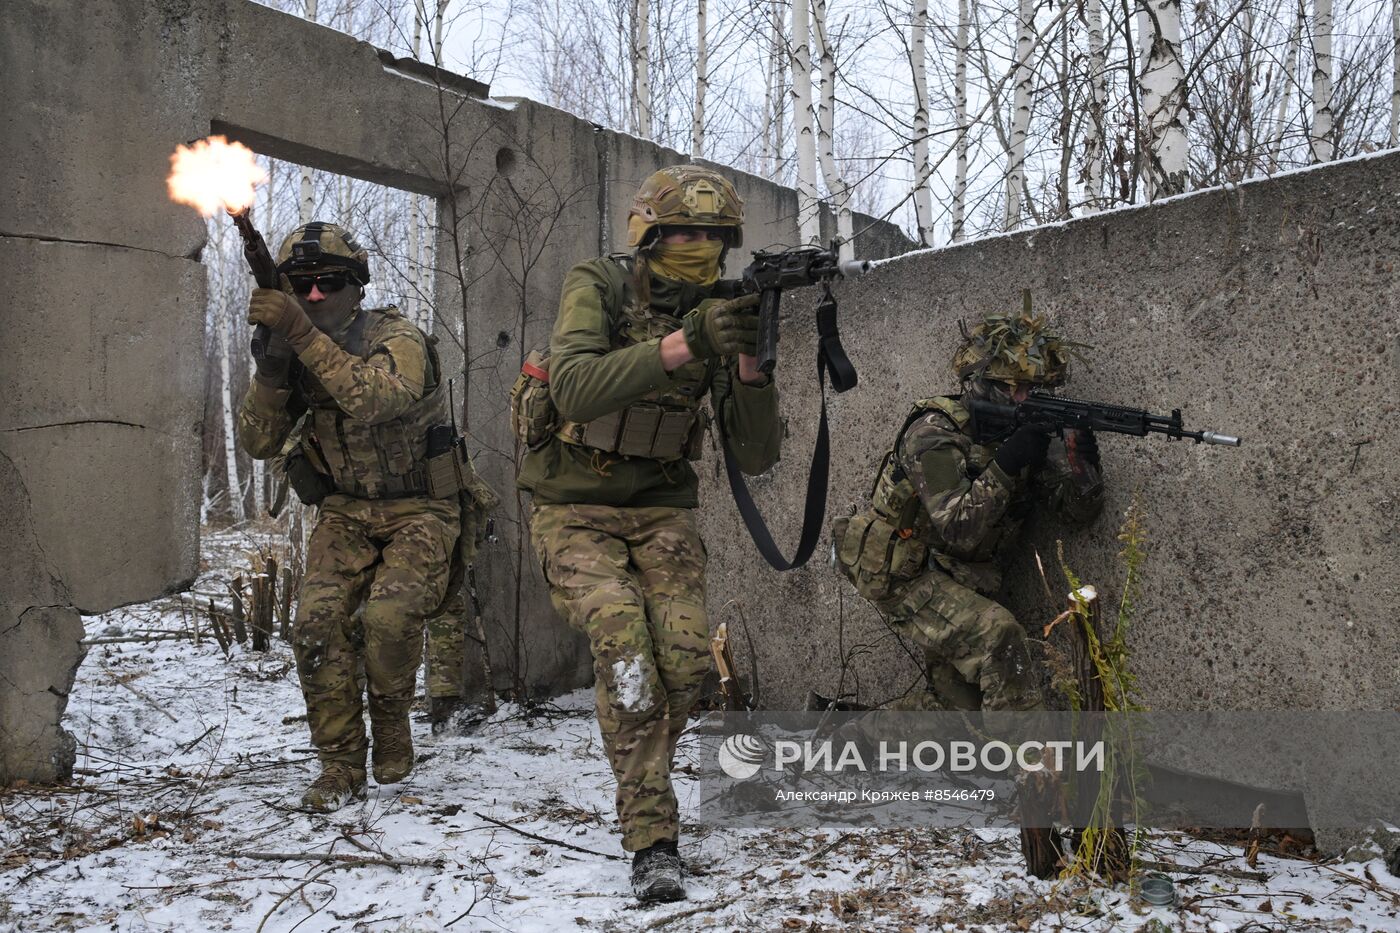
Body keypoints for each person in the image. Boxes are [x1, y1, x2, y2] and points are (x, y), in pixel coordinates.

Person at [515, 166, 782, 903]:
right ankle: (653, 838)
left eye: (712, 235)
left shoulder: (721, 306)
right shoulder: (598, 283)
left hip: (662, 505)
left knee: (687, 660)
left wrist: (751, 356)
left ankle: (644, 786)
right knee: (624, 645)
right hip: (573, 503)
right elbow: (573, 386)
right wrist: (684, 341)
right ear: (650, 234)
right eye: (683, 232)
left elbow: (757, 454)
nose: (698, 246)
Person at [237, 221, 487, 811]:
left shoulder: (396, 336)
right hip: (346, 509)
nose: (315, 296)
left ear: (356, 286)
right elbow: (255, 441)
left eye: (328, 283)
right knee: (315, 627)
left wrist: (297, 330)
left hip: (420, 506)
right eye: (301, 285)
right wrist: (274, 370)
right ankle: (340, 766)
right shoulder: (297, 350)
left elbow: (379, 400)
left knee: (391, 616)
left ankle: (393, 725)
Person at [832, 308, 1104, 715]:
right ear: (983, 384)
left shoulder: (1017, 434)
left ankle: (846, 738)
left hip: (953, 576)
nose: (1029, 400)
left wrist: (1083, 465)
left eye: (1039, 390)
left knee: (958, 713)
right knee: (998, 637)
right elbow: (958, 526)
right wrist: (1009, 462)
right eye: (1019, 389)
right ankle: (1035, 772)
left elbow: (1072, 513)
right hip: (902, 574)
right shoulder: (934, 434)